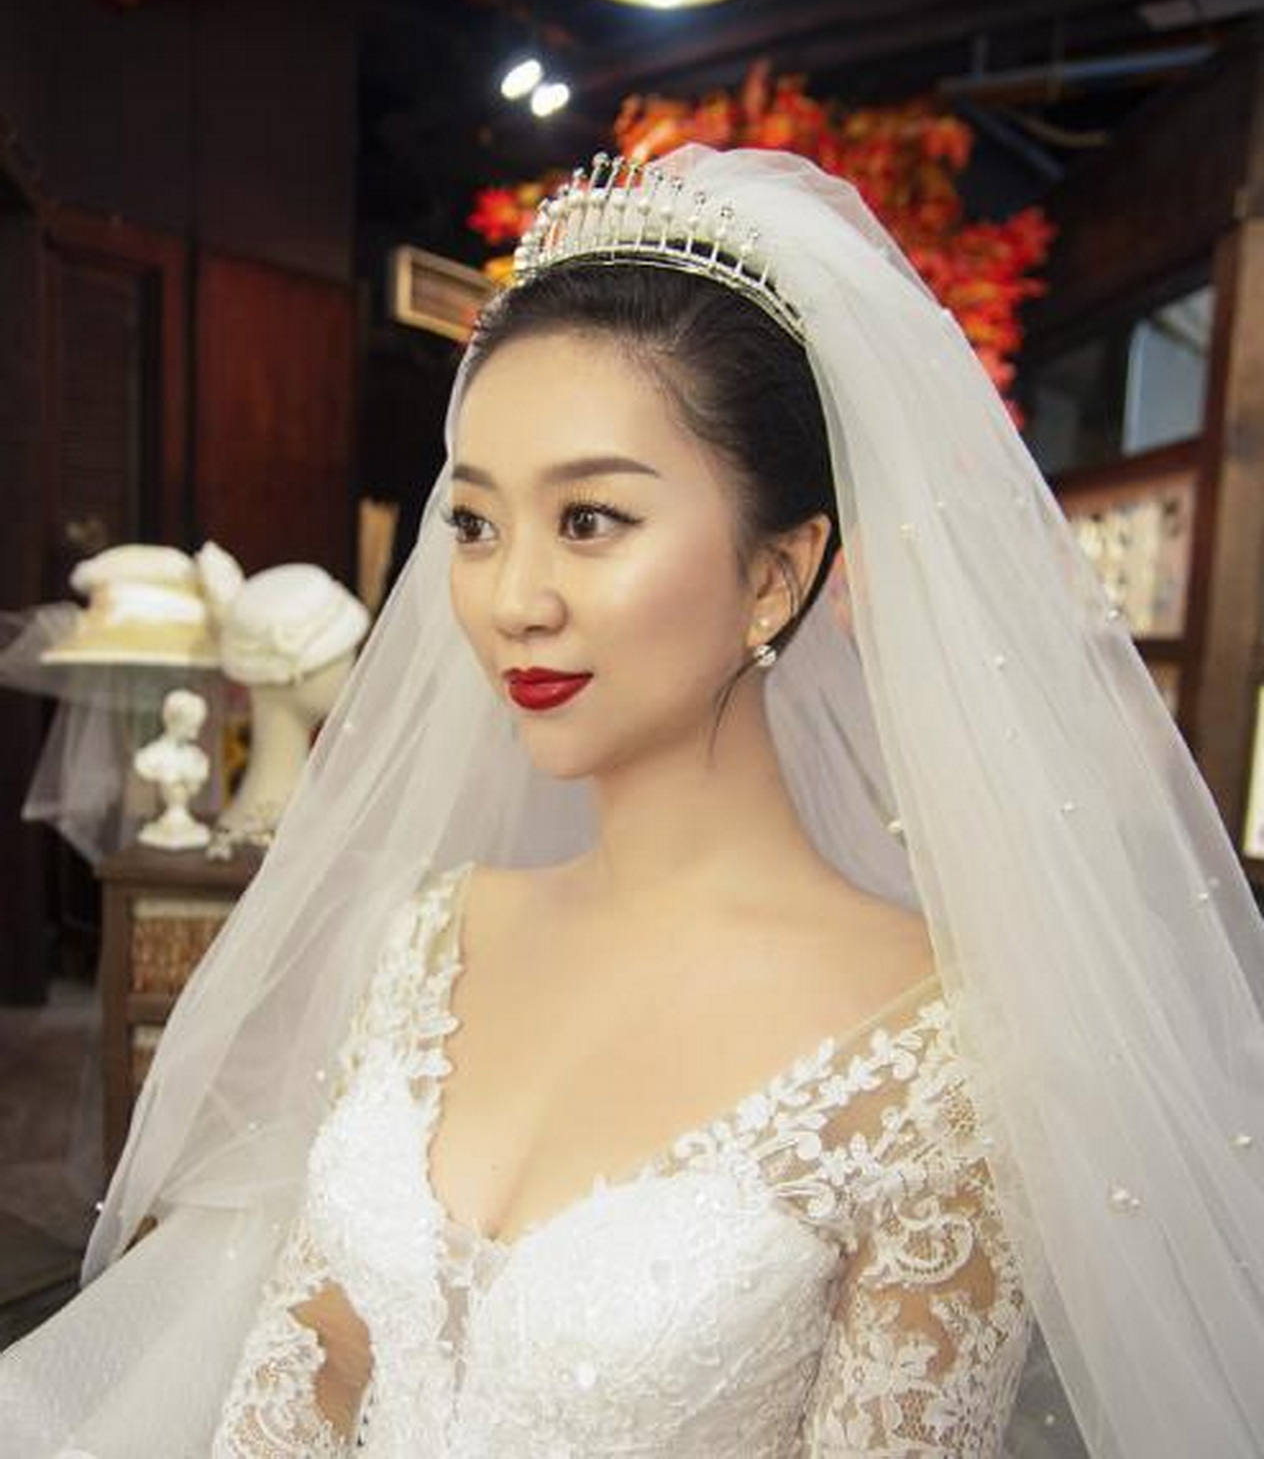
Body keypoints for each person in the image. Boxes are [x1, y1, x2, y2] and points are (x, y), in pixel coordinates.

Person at [1, 146, 1262, 1457]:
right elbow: (311, 1368)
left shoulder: (939, 1063)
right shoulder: (428, 938)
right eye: (476, 525)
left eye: (592, 519)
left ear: (778, 574)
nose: (512, 600)